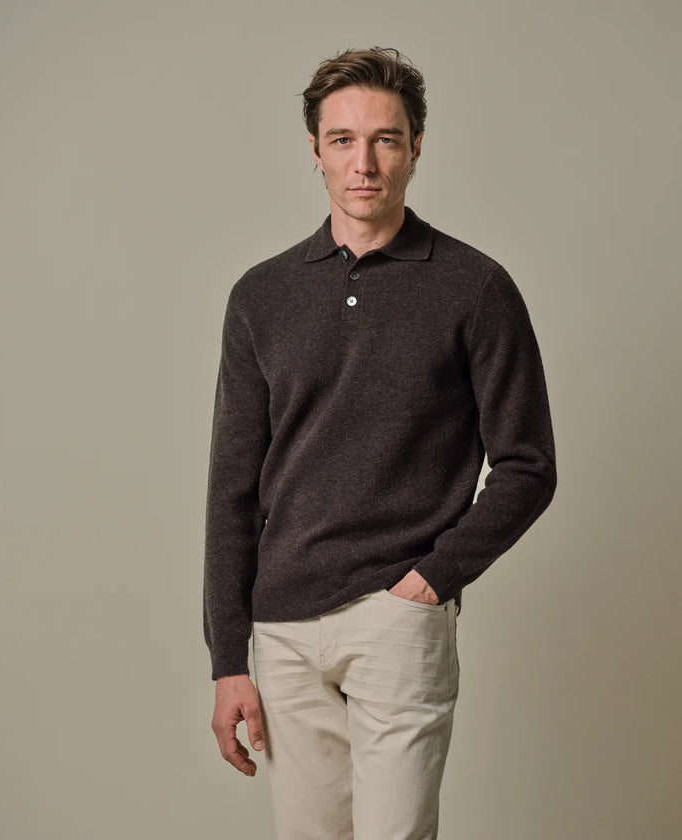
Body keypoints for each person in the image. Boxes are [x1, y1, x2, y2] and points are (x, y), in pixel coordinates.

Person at [203, 46, 557, 840]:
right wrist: (228, 659)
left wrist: (431, 581)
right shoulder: (261, 295)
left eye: (385, 139)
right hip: (283, 628)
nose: (363, 163)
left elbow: (529, 465)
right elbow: (231, 490)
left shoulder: (475, 287)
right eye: (343, 140)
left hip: (397, 614)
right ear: (315, 150)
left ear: (416, 146)